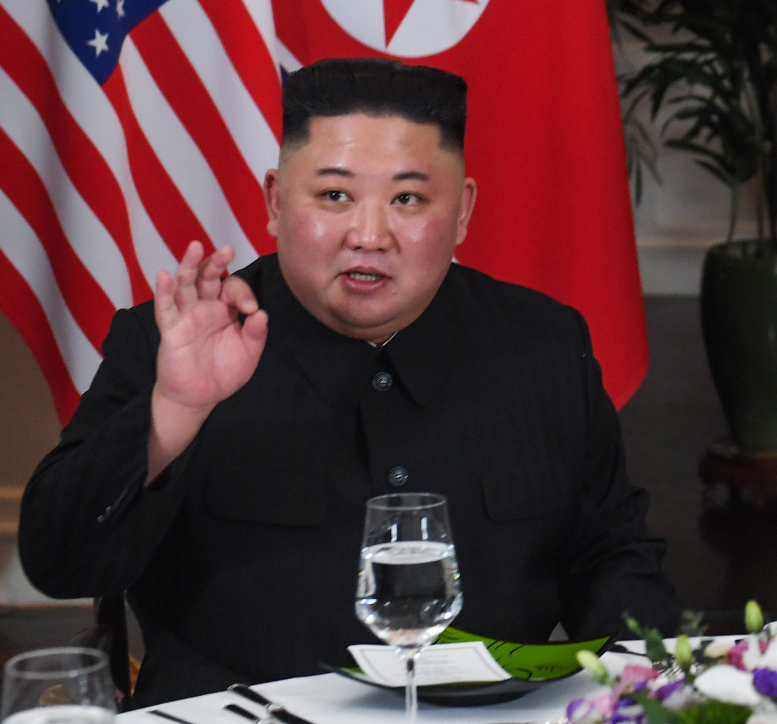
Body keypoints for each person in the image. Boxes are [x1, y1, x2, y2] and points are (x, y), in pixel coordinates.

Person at [18, 58, 680, 708]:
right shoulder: (175, 340)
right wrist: (175, 409)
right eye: (334, 196)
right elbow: (61, 564)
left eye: (407, 199)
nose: (369, 235)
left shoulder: (543, 343)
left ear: (461, 212)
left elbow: (610, 557)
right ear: (276, 201)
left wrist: (651, 692)